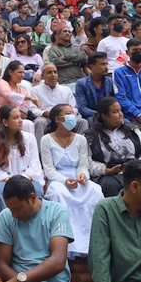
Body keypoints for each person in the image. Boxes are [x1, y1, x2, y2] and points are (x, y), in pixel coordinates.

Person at [39, 104, 102, 256]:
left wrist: (83, 175)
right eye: (68, 114)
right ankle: (67, 243)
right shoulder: (46, 139)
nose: (72, 116)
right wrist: (64, 181)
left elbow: (83, 165)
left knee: (95, 190)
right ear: (58, 119)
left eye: (72, 113)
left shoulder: (80, 139)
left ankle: (95, 241)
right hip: (58, 179)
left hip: (78, 178)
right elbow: (49, 169)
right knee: (58, 193)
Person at [86, 97, 141, 199]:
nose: (121, 114)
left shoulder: (133, 129)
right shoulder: (91, 136)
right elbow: (88, 162)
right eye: (115, 112)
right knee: (109, 185)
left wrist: (138, 165)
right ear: (104, 116)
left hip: (136, 167)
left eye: (120, 110)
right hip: (110, 173)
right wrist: (106, 170)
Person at [0, 105, 44, 213]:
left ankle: (35, 224)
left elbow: (35, 163)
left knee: (36, 190)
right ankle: (9, 225)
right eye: (15, 118)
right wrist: (10, 180)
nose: (21, 121)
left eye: (20, 117)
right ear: (5, 122)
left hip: (27, 178)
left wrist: (23, 178)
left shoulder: (29, 138)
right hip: (3, 180)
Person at [74, 52, 116, 120]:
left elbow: (116, 101)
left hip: (110, 116)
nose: (106, 67)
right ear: (92, 67)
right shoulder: (81, 83)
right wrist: (100, 115)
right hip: (92, 117)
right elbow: (82, 108)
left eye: (106, 64)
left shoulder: (110, 81)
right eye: (102, 64)